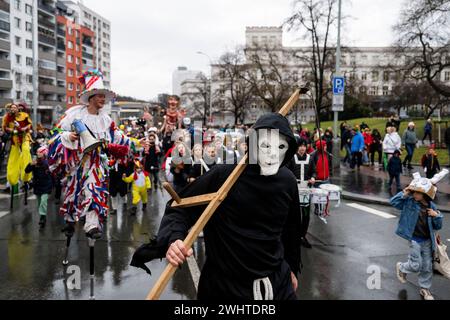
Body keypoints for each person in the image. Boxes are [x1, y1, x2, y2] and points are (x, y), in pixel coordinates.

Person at [130, 113, 302, 300]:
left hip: (277, 286)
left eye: (281, 146)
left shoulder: (288, 181)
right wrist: (175, 239)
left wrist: (292, 267)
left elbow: (292, 230)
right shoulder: (224, 176)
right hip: (225, 289)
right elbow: (180, 207)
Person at [48, 69, 142, 240]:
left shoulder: (106, 119)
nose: (103, 99)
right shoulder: (75, 114)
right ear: (91, 97)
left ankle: (92, 224)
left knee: (94, 190)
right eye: (99, 96)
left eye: (103, 96)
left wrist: (135, 143)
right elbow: (55, 133)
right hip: (76, 161)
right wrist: (69, 136)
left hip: (96, 162)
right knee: (72, 191)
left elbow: (118, 137)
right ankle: (70, 220)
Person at [392, 170, 448, 300]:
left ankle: (425, 289)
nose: (415, 194)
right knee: (416, 265)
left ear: (425, 194)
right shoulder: (409, 201)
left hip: (427, 241)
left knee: (427, 266)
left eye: (418, 192)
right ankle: (402, 267)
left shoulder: (431, 206)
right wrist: (404, 194)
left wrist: (437, 216)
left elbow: (438, 226)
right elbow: (394, 203)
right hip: (414, 239)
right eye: (414, 191)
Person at [287, 138, 316, 249]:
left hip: (306, 190)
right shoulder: (292, 158)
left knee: (306, 215)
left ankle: (302, 236)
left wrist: (313, 177)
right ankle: (293, 235)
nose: (302, 148)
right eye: (300, 146)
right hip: (294, 190)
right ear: (297, 147)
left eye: (304, 146)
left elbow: (313, 171)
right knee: (294, 214)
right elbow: (287, 171)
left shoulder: (310, 158)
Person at [2, 103, 33, 196]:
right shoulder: (6, 117)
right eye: (12, 108)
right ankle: (12, 178)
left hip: (24, 137)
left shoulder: (24, 115)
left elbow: (29, 125)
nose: (14, 109)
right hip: (14, 140)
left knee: (26, 151)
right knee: (13, 159)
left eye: (15, 108)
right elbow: (4, 128)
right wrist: (12, 130)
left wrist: (23, 128)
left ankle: (26, 175)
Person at [25, 146, 53, 229]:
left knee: (43, 202)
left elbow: (52, 173)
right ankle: (42, 215)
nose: (38, 154)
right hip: (37, 185)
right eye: (37, 152)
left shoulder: (48, 162)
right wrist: (30, 164)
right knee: (39, 202)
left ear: (44, 153)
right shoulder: (34, 162)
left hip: (46, 185)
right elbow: (26, 171)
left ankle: (42, 218)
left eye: (40, 152)